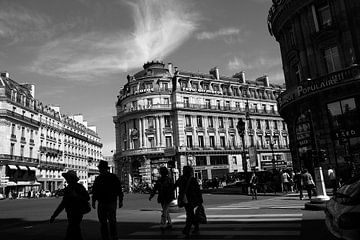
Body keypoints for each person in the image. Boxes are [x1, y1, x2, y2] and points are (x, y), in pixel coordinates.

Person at [50, 170, 90, 240]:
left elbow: (87, 197)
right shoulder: (70, 188)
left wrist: (54, 215)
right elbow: (63, 203)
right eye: (67, 178)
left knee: (73, 228)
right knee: (75, 228)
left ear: (72, 179)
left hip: (77, 211)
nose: (67, 180)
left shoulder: (78, 187)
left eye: (68, 178)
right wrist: (54, 215)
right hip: (73, 212)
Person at [92, 160, 124, 240]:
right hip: (110, 202)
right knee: (111, 221)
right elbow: (119, 190)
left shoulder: (99, 178)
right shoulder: (113, 177)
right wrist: (120, 200)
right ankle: (113, 236)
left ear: (103, 168)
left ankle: (107, 237)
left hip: (104, 202)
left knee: (104, 222)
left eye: (100, 168)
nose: (99, 169)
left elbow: (95, 191)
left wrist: (93, 201)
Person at [175, 166, 203, 238]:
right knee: (190, 214)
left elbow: (174, 185)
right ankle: (195, 227)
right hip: (192, 199)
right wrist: (200, 200)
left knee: (189, 214)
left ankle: (187, 229)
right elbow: (198, 190)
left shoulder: (181, 179)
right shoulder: (192, 179)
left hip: (185, 199)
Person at [149, 166, 175, 231]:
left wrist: (151, 196)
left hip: (166, 197)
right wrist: (151, 195)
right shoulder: (167, 180)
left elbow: (155, 189)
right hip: (165, 197)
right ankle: (170, 223)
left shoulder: (163, 180)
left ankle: (163, 224)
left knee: (164, 210)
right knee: (165, 210)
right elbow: (155, 189)